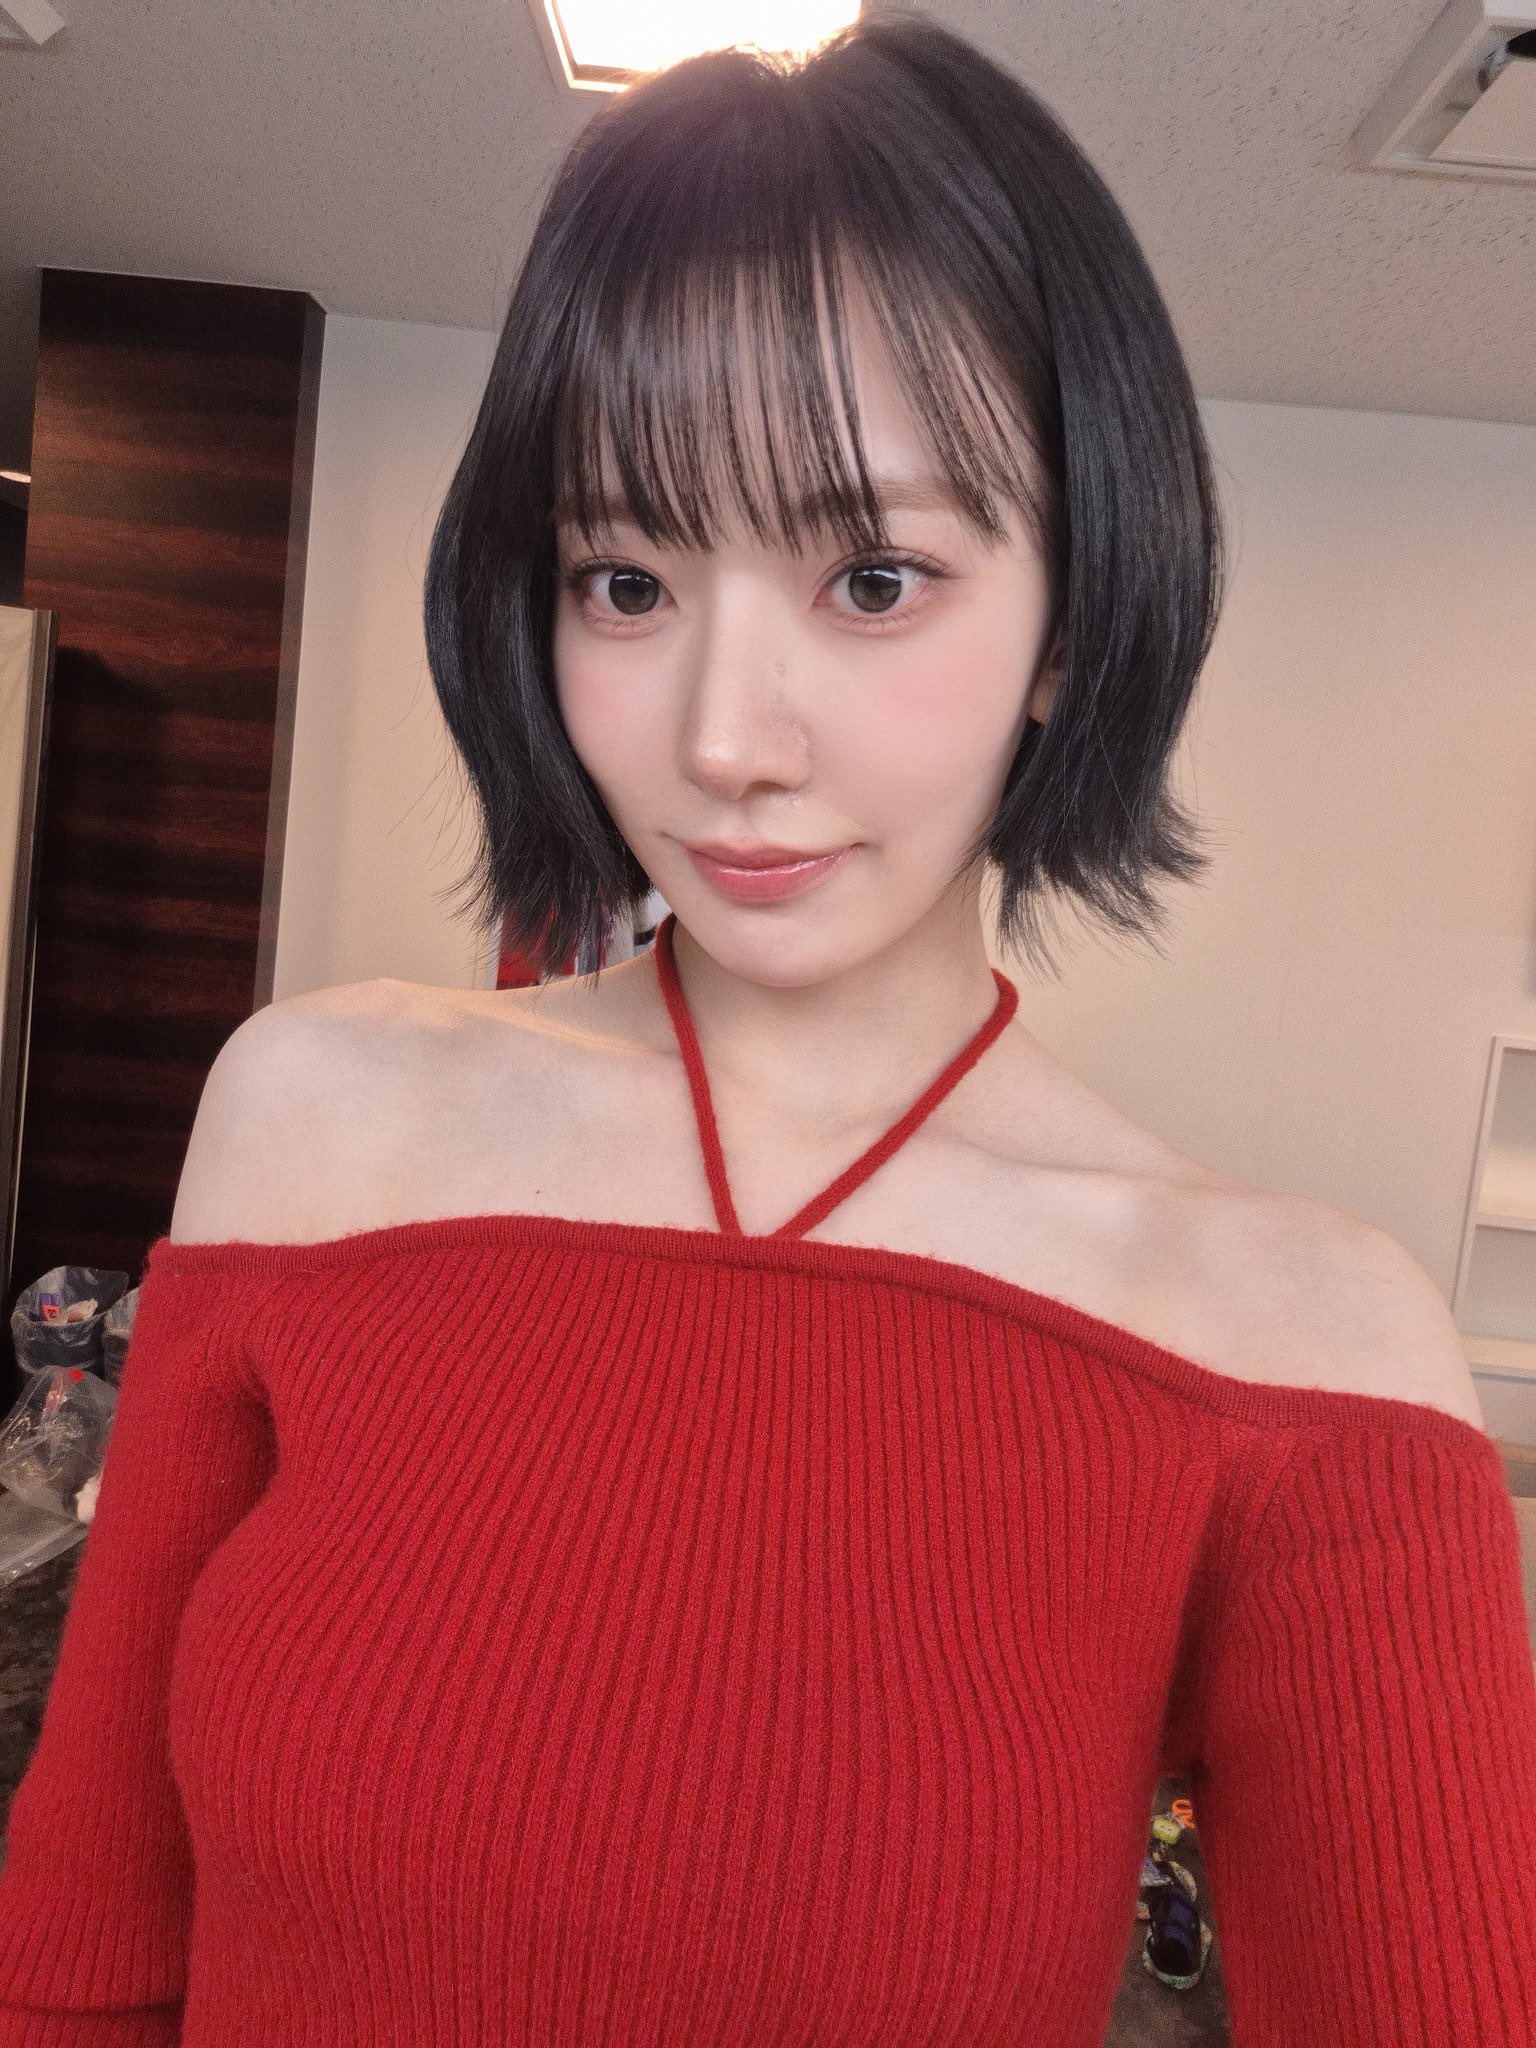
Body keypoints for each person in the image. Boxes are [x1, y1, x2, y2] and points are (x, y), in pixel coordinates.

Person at [3, 13, 1534, 2046]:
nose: (725, 739)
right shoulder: (317, 1121)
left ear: (1072, 619)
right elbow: (85, 1954)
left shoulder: (1299, 1352)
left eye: (875, 578)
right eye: (625, 580)